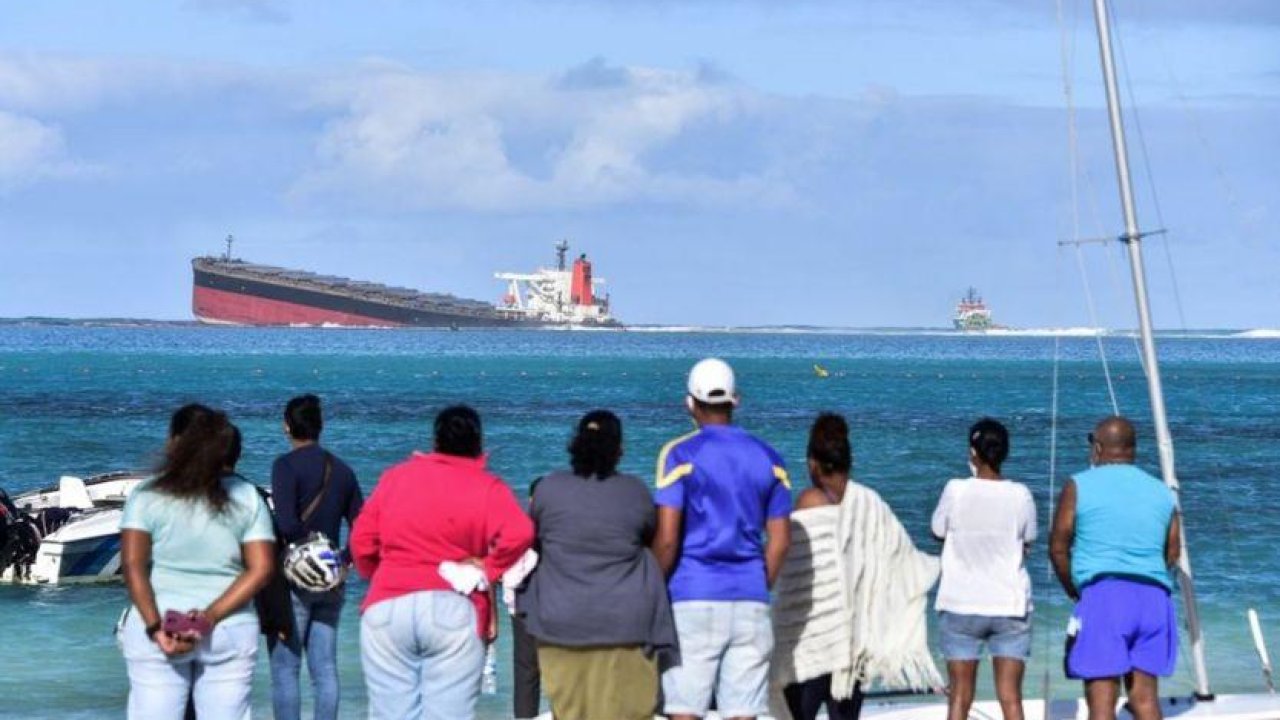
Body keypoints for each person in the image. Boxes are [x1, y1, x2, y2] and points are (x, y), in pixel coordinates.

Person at [351, 405, 535, 720]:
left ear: (435, 440)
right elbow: (521, 532)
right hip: (454, 606)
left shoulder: (396, 478)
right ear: (478, 443)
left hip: (387, 606)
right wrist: (487, 569)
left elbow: (361, 542)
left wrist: (379, 577)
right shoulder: (486, 486)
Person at [770, 413, 942, 720]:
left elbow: (792, 580)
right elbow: (904, 565)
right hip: (854, 648)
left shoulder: (808, 501)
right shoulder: (872, 504)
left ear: (812, 463)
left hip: (812, 644)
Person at [652, 358, 792, 720]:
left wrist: (651, 591)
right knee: (743, 714)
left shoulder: (679, 455)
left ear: (690, 403)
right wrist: (760, 585)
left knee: (684, 712)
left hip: (691, 595)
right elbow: (779, 541)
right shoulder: (769, 458)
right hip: (750, 598)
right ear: (736, 400)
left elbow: (667, 540)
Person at [518, 410, 677, 720]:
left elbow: (531, 541)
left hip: (561, 625)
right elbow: (652, 540)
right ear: (619, 449)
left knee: (570, 713)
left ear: (575, 444)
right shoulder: (635, 492)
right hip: (626, 626)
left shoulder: (549, 489)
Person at [119, 407, 276, 719]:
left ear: (173, 443)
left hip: (162, 621)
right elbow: (261, 570)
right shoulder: (245, 495)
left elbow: (133, 565)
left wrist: (154, 627)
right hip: (227, 627)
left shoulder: (147, 494)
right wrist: (207, 617)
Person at [1049, 416, 1180, 720]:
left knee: (1102, 703)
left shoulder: (1079, 484)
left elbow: (1058, 547)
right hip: (1154, 600)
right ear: (1132, 449)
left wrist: (1075, 591)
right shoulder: (1162, 491)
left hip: (1105, 596)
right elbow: (1172, 552)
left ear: (1097, 448)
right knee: (1146, 699)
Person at [931, 418, 1036, 720]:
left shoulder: (956, 489)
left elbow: (937, 529)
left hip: (961, 602)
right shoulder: (1021, 494)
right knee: (1011, 698)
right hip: (1009, 604)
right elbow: (1028, 540)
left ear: (973, 453)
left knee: (960, 697)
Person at [269, 394, 364, 720]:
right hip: (333, 579)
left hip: (295, 579)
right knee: (324, 668)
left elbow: (287, 523)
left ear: (287, 426)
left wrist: (305, 552)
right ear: (320, 427)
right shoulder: (343, 470)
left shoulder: (284, 466)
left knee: (286, 666)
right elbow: (362, 526)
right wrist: (342, 560)